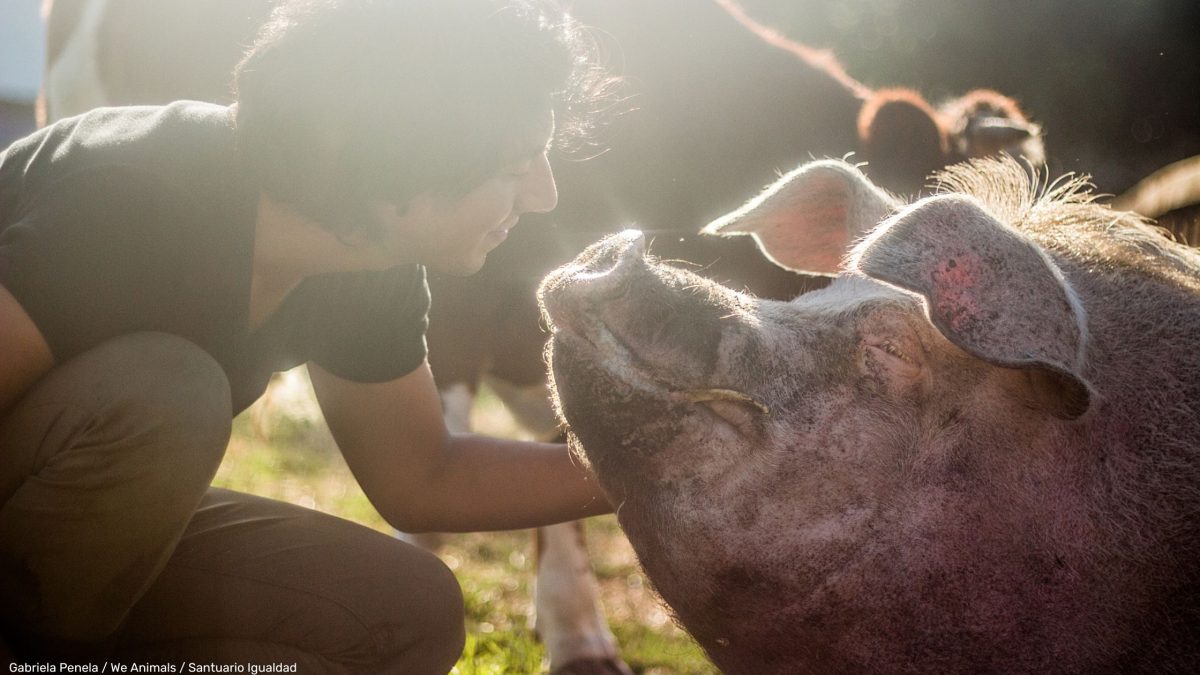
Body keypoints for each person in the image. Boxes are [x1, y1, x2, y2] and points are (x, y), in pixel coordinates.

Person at [0, 0, 614, 670]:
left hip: (73, 540)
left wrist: (647, 468)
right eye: (516, 164)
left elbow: (423, 475)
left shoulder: (368, 258)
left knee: (406, 609)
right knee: (171, 396)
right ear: (418, 156)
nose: (545, 195)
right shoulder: (129, 196)